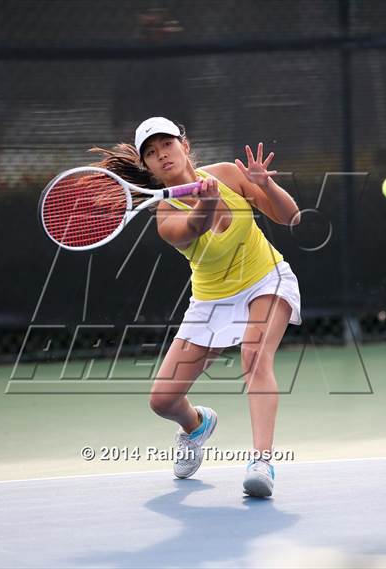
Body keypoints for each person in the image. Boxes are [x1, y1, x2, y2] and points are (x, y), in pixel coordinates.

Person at [91, 117, 302, 498]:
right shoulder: (165, 214)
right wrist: (205, 203)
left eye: (167, 145)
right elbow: (194, 228)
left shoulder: (228, 174)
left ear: (184, 146)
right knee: (162, 400)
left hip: (266, 280)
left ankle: (262, 462)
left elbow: (292, 217)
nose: (162, 155)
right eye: (151, 154)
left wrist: (265, 184)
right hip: (210, 301)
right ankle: (196, 425)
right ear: (147, 167)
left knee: (255, 357)